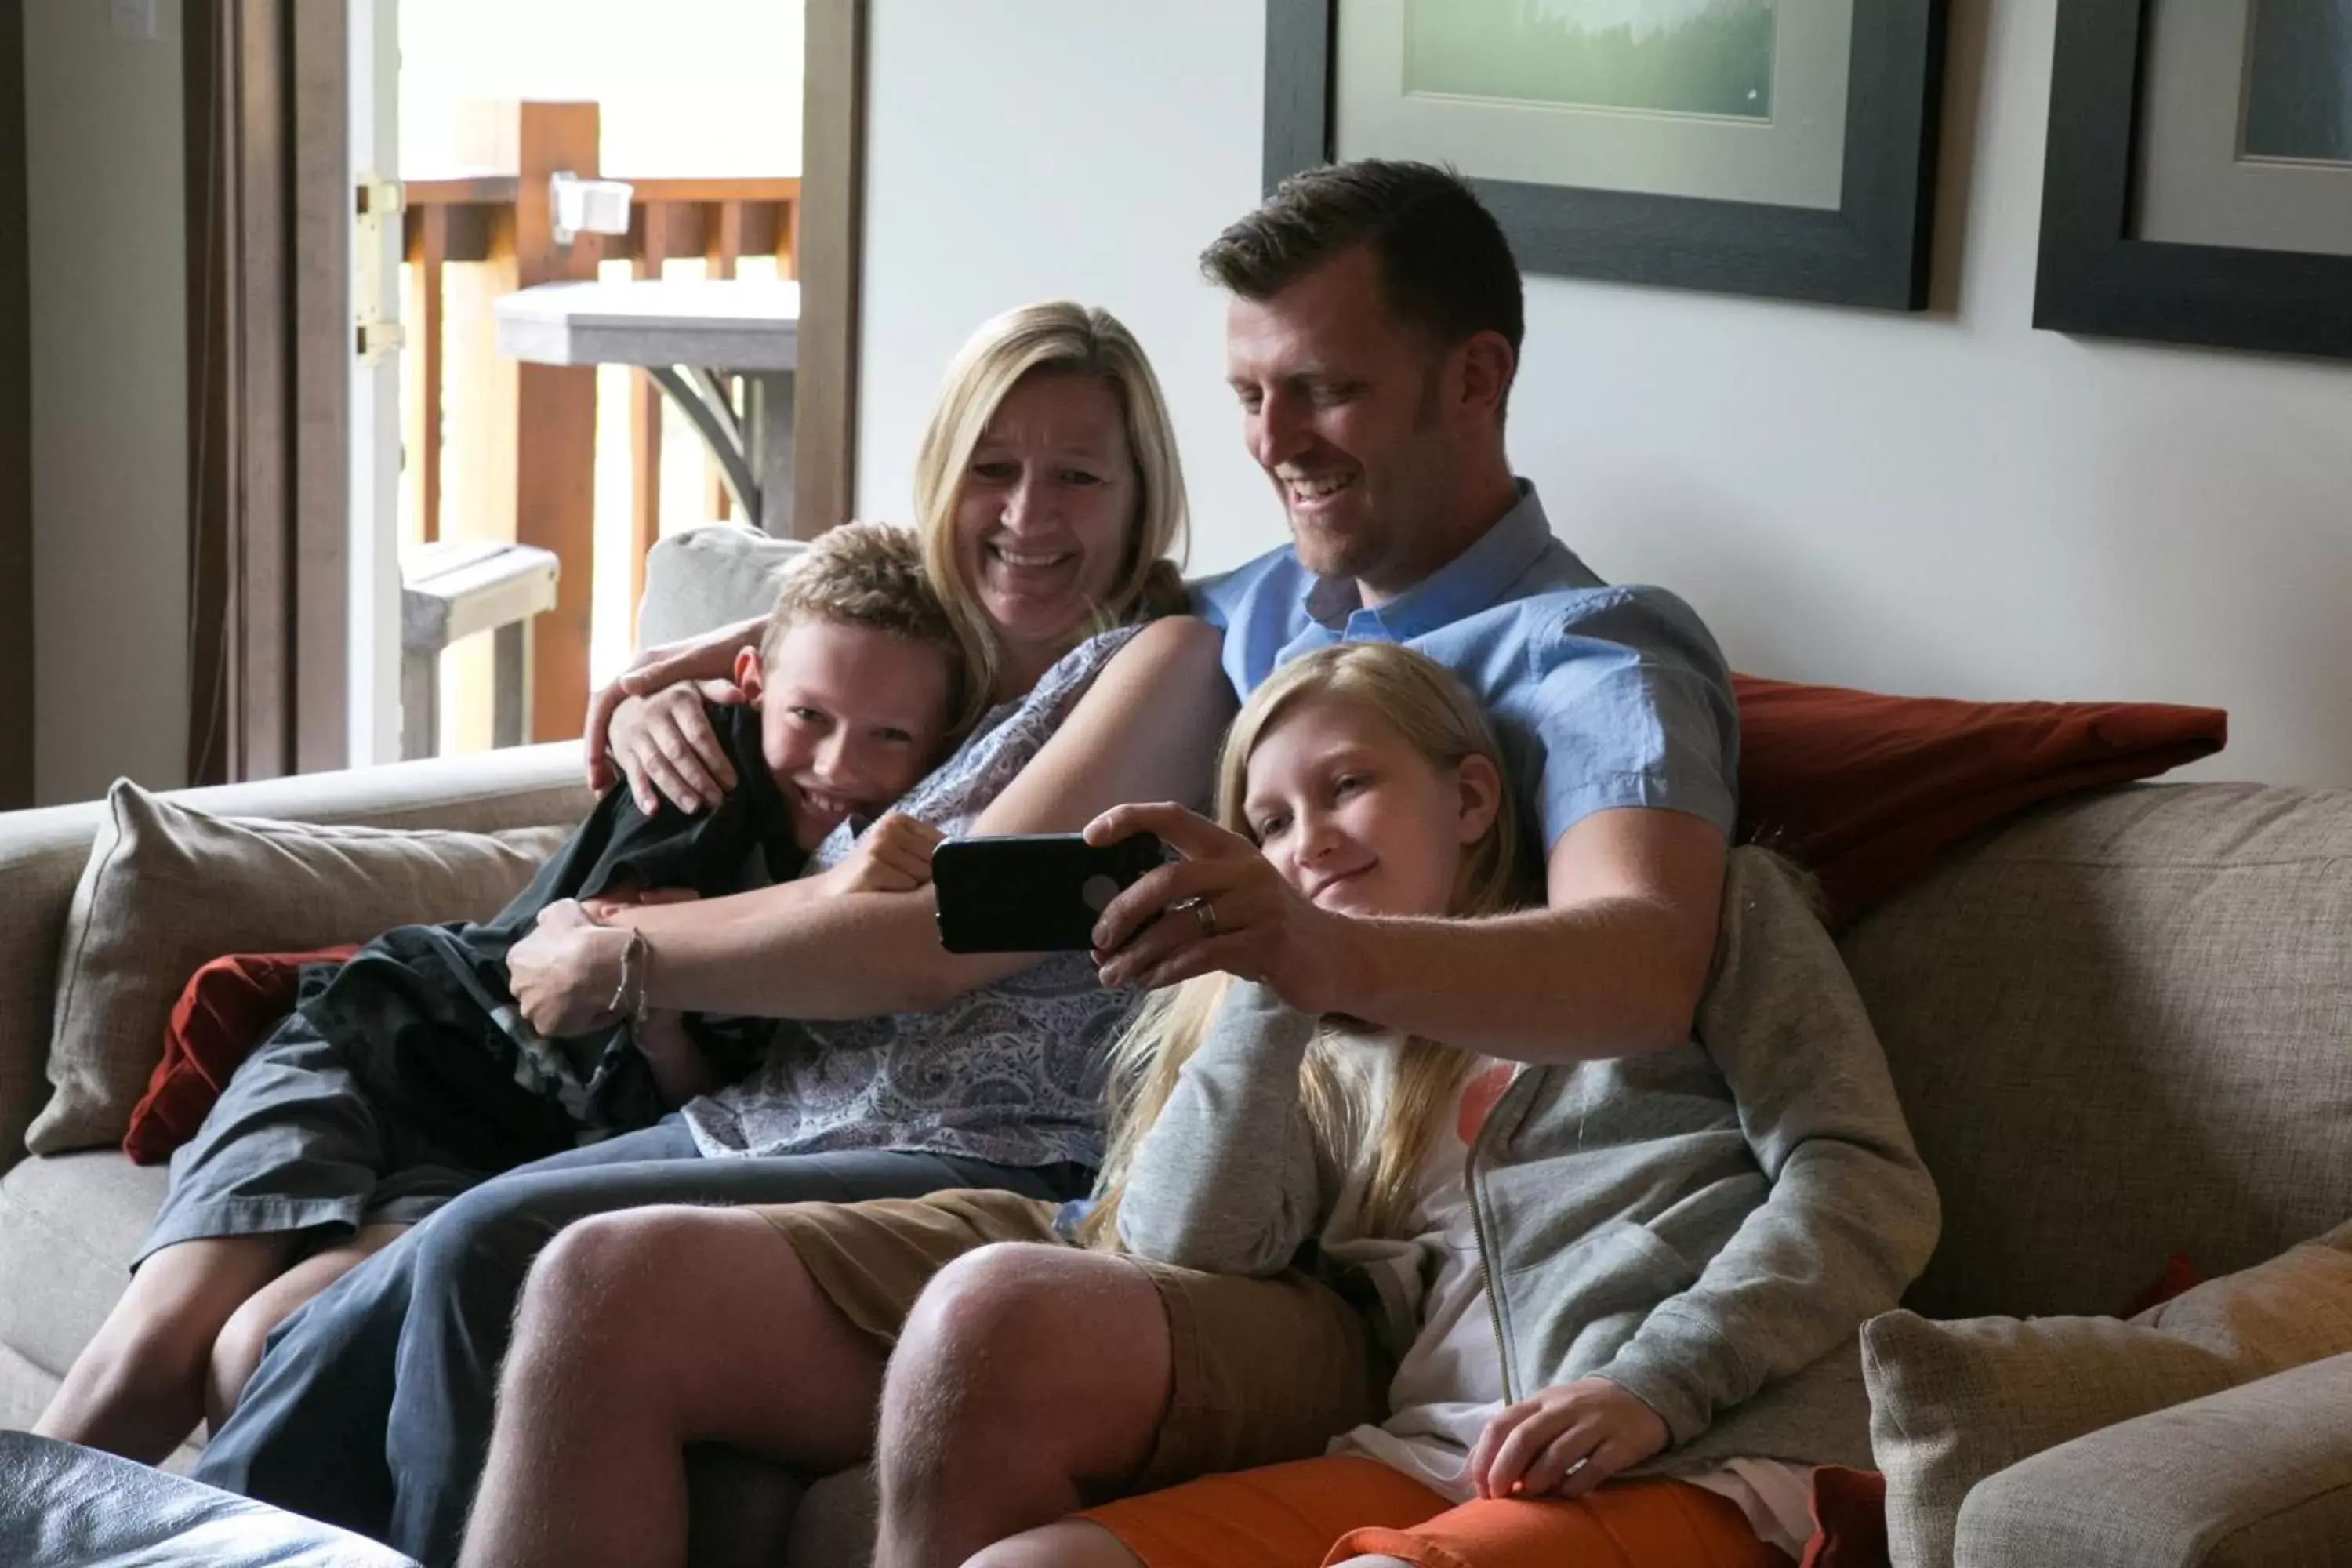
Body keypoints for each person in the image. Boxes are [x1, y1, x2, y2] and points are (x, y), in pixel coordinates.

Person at [445, 158, 1761, 1568]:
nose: (1279, 439)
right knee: (598, 1280)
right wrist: (738, 658)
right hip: (1133, 1187)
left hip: (1354, 1263)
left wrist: (1306, 948)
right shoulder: (1263, 607)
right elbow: (1012, 583)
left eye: (1324, 390)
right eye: (1250, 395)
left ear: (1473, 378)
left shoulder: (1594, 653)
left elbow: (1644, 963)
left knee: (986, 1317)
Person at [186, 301, 1234, 1566]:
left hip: (977, 1151)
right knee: (349, 1309)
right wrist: (671, 679)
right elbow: (828, 649)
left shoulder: (1164, 663)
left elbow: (933, 939)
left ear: (1144, 499)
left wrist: (621, 954)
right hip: (773, 1115)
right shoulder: (940, 672)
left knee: (483, 1250)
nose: (1029, 514)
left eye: (1079, 476)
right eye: (993, 471)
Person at [955, 646, 1940, 1566]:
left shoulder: (1691, 923)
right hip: (1439, 1456)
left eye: (1347, 785)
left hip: (1704, 1445)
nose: (1310, 842)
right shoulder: (1320, 1047)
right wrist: (1273, 975)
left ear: (1470, 798)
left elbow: (1863, 1178)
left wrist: (1658, 1383)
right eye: (1271, 826)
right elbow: (1191, 1244)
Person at [34, 520, 964, 1465]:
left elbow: (678, 1061)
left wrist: (669, 1020)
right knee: (155, 1348)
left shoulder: (894, 894)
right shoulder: (706, 759)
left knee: (267, 1346)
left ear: (943, 745)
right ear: (754, 683)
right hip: (377, 1042)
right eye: (810, 716)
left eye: (889, 734)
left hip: (500, 1147)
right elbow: (590, 962)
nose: (840, 765)